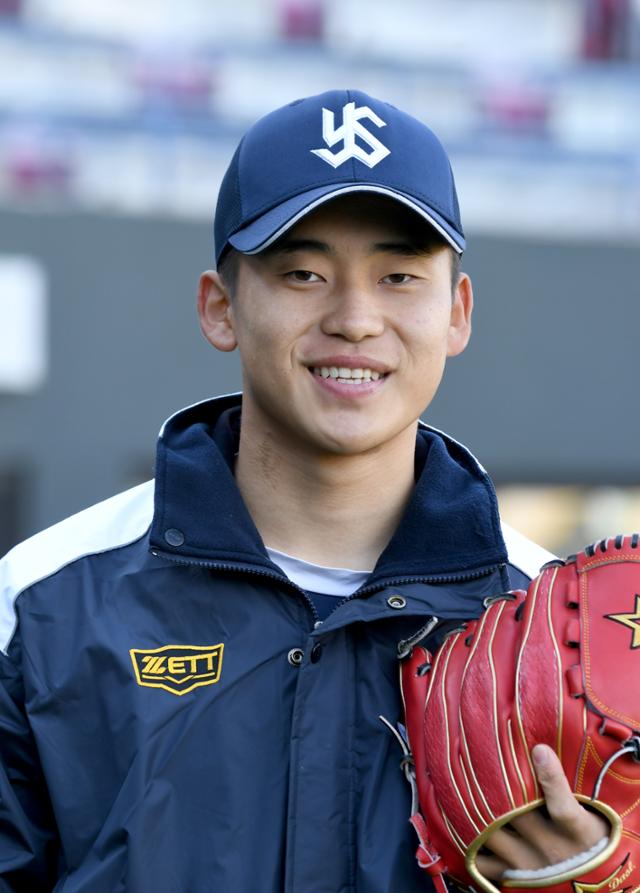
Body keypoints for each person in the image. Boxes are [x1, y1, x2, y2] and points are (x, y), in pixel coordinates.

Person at [0, 89, 607, 892]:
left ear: (457, 313)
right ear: (221, 307)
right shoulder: (42, 601)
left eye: (398, 275)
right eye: (304, 272)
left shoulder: (553, 631)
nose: (355, 318)